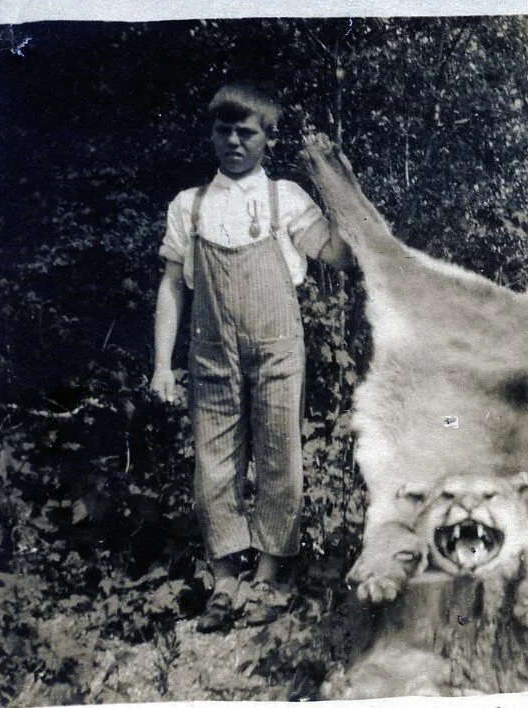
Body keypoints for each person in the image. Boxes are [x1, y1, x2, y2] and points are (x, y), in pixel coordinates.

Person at [150, 82, 352, 632]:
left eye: (247, 132)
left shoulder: (285, 198)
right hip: (210, 350)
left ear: (267, 138)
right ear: (212, 134)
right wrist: (161, 365)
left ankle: (271, 576)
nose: (234, 141)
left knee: (279, 453)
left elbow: (338, 255)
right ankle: (225, 580)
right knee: (213, 462)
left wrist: (339, 188)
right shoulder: (189, 207)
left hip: (277, 345)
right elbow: (172, 287)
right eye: (224, 131)